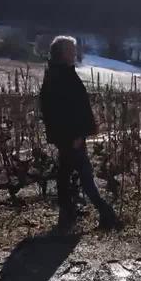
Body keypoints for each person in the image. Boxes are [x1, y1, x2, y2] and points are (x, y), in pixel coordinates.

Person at [40, 36, 118, 231]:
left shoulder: (60, 73)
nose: (75, 53)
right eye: (71, 50)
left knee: (65, 173)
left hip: (70, 135)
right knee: (84, 173)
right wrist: (74, 135)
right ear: (62, 53)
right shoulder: (59, 76)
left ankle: (67, 214)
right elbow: (61, 111)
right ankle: (105, 213)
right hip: (71, 137)